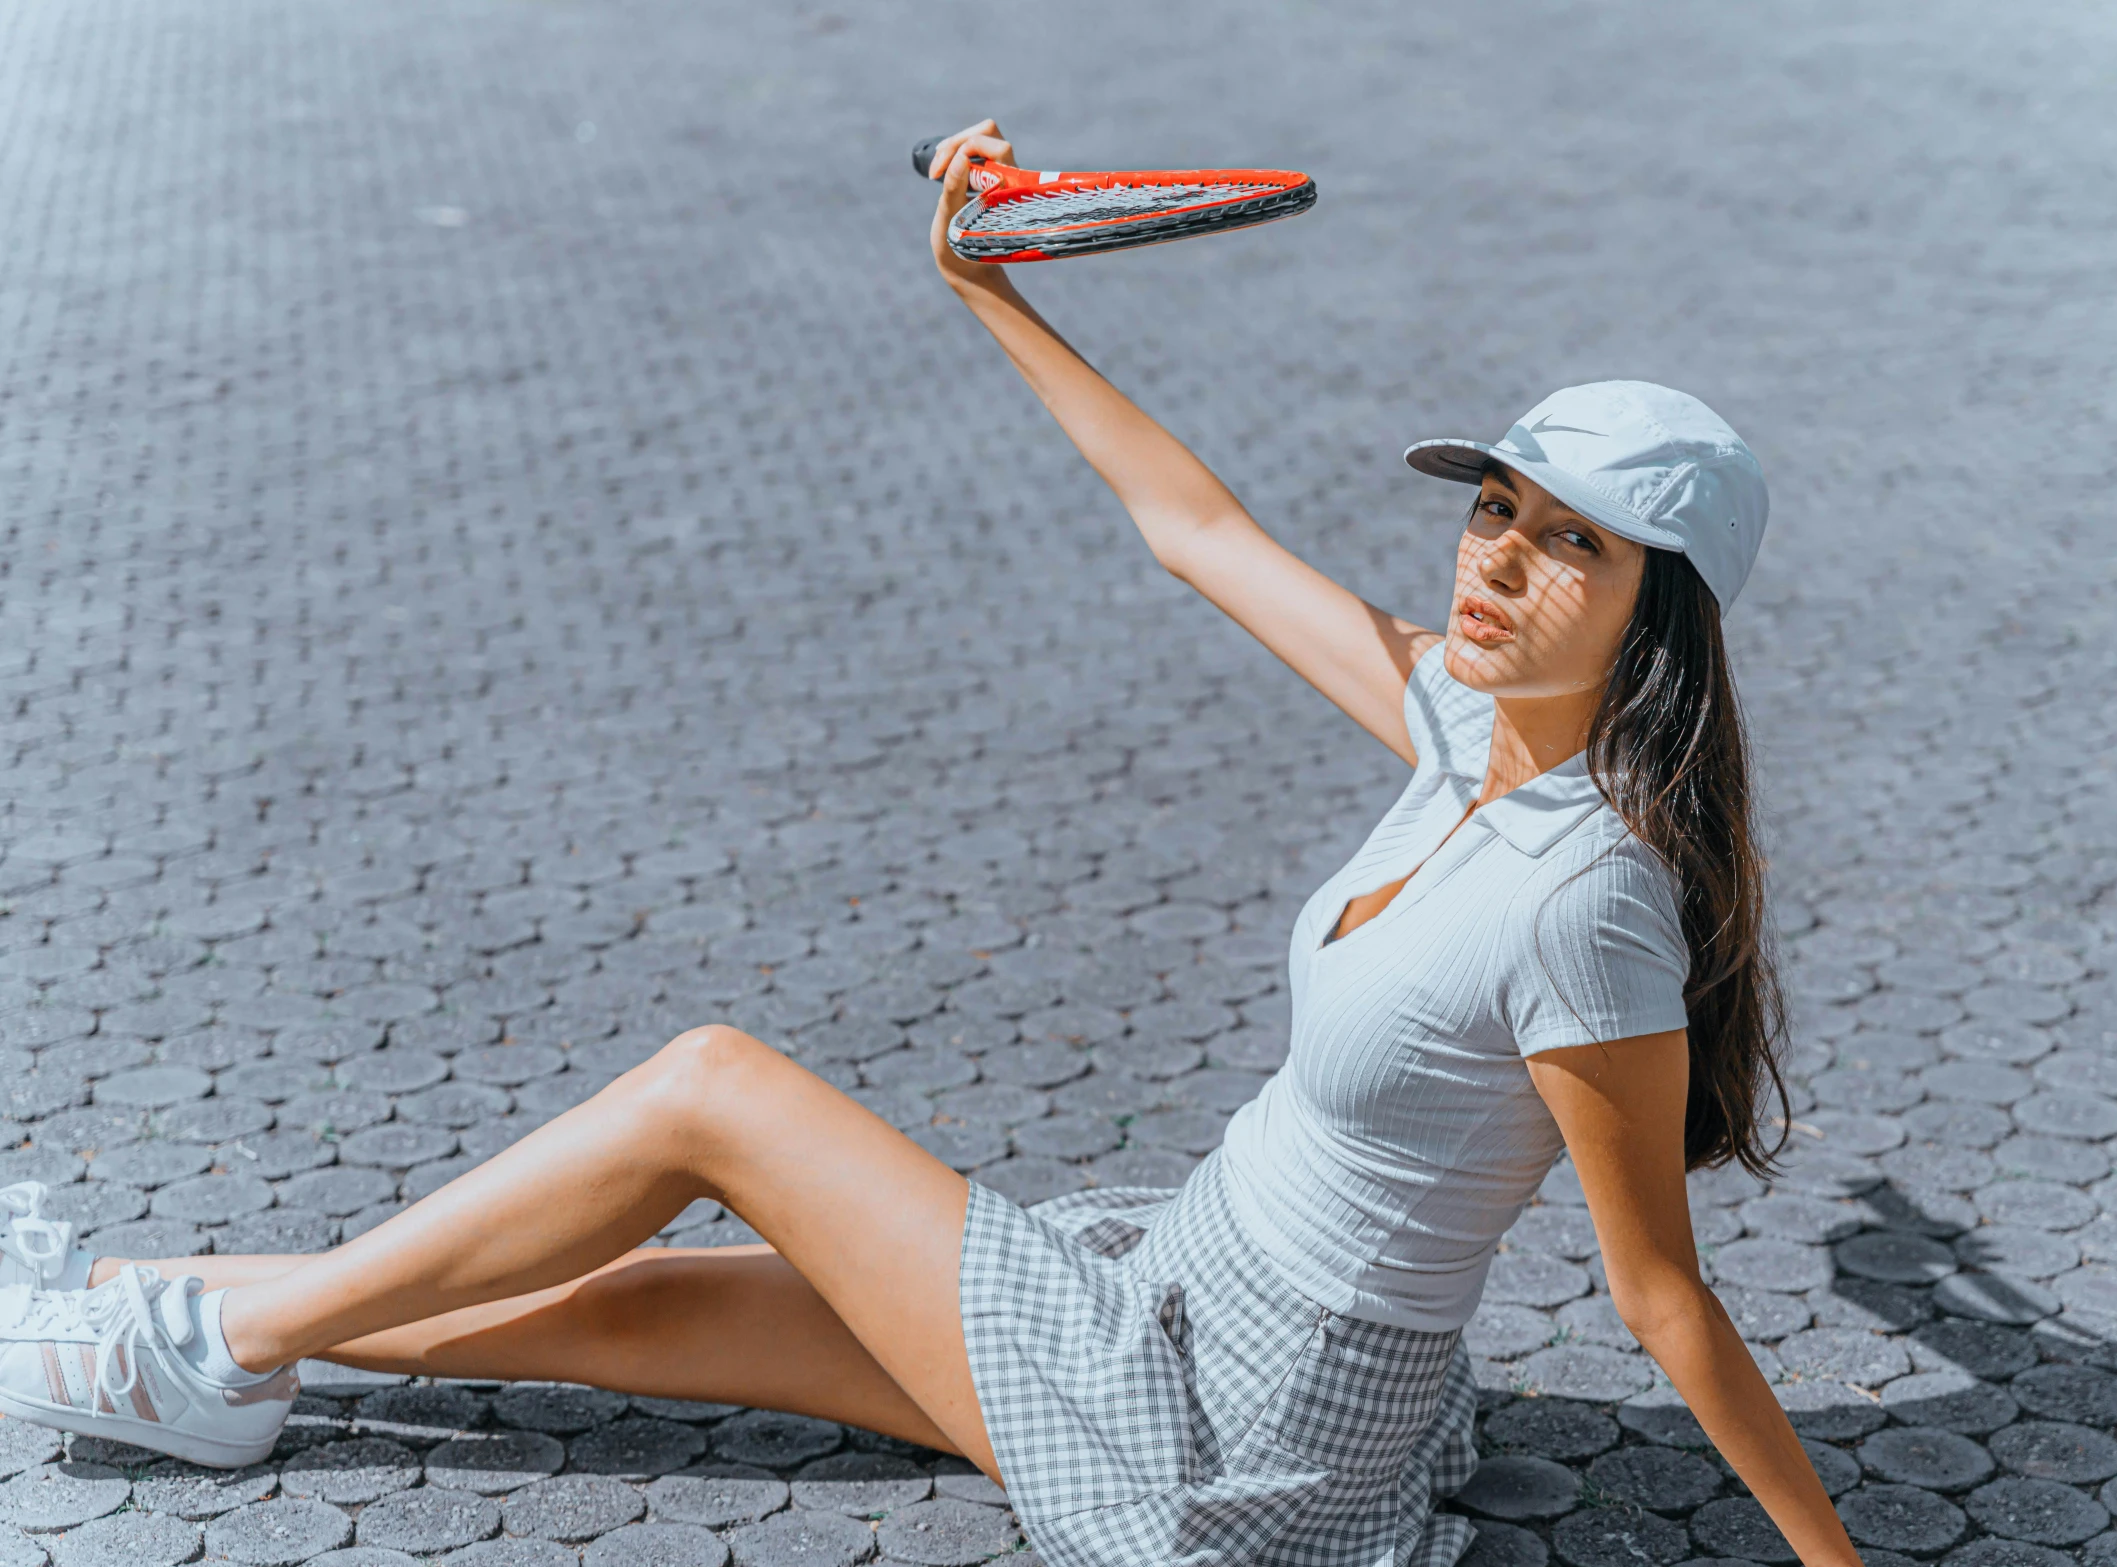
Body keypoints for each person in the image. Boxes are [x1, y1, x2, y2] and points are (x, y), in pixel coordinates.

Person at [0, 120, 1864, 1567]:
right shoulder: (1464, 724)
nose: (1495, 564)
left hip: (1243, 1434)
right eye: (1496, 511)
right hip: (1163, 1296)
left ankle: (195, 1347)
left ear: (1664, 613)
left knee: (714, 1088)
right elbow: (1193, 530)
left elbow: (1661, 1295)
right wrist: (989, 283)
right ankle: (141, 1319)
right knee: (611, 1311)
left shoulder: (1591, 903)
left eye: (1568, 546)